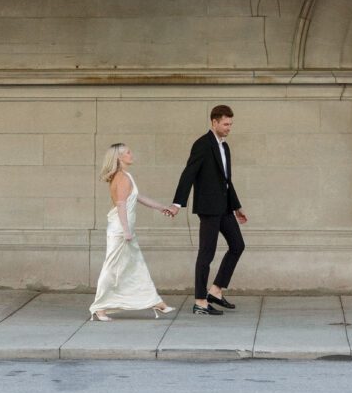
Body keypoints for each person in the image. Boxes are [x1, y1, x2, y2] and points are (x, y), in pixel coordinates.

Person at [169, 104, 248, 315]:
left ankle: (215, 290)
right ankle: (200, 301)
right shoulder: (202, 144)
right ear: (214, 122)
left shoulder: (225, 146)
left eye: (231, 124)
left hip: (224, 208)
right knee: (207, 253)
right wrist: (177, 203)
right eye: (225, 124)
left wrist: (236, 206)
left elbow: (226, 181)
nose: (229, 127)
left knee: (238, 245)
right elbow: (189, 173)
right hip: (208, 208)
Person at [90, 143, 177, 322]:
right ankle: (99, 307)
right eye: (128, 152)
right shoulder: (121, 177)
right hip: (120, 230)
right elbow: (121, 205)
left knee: (136, 266)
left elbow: (138, 197)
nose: (131, 154)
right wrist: (126, 231)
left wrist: (162, 208)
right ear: (120, 158)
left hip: (123, 229)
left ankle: (155, 301)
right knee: (112, 268)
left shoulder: (126, 176)